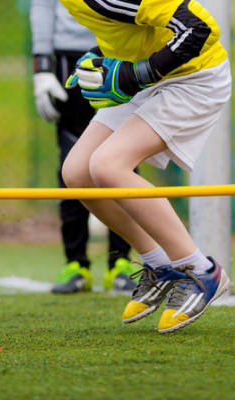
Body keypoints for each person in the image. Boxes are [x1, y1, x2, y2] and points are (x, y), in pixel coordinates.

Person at [59, 0, 232, 332]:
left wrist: (137, 73)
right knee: (77, 173)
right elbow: (138, 27)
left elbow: (200, 28)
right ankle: (160, 264)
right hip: (152, 76)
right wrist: (101, 54)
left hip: (194, 77)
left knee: (108, 166)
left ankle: (201, 270)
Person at [30, 0, 139, 294]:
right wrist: (41, 65)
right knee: (71, 158)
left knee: (124, 157)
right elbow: (42, 5)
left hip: (121, 47)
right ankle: (76, 263)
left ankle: (121, 261)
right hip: (68, 54)